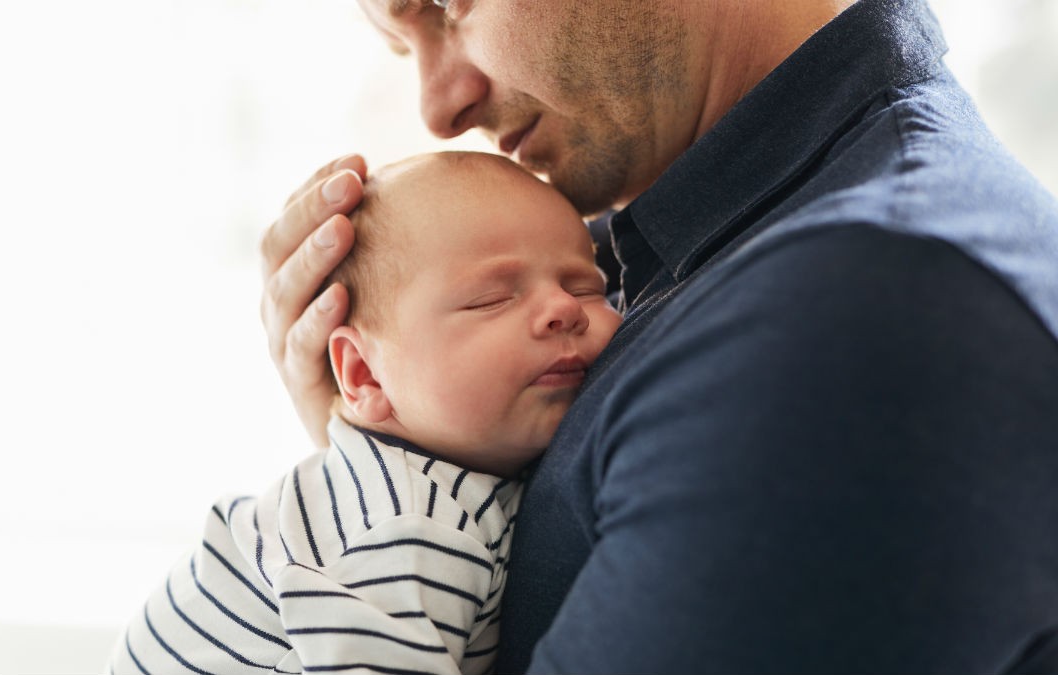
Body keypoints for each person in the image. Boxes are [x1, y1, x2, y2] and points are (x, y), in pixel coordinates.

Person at [260, 0, 1058, 672]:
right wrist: (389, 447)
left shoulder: (860, 310)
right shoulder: (670, 254)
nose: (440, 107)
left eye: (447, 5)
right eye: (405, 46)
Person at [110, 151, 622, 675]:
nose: (563, 309)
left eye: (586, 287)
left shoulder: (432, 483)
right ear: (365, 375)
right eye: (491, 299)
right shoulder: (409, 520)